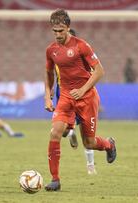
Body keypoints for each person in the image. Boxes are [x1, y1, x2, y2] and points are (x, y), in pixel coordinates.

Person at [44, 9, 117, 191]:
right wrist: (48, 95)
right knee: (55, 133)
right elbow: (48, 73)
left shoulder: (81, 46)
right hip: (66, 97)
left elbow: (99, 71)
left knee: (89, 143)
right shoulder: (51, 50)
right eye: (55, 31)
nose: (58, 35)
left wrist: (83, 89)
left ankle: (109, 144)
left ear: (68, 28)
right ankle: (55, 180)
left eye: (61, 31)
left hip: (87, 98)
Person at [52, 28, 97, 175]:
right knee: (62, 131)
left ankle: (90, 165)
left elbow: (94, 72)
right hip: (63, 94)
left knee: (86, 133)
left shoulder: (82, 54)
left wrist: (86, 91)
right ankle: (70, 132)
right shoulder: (57, 54)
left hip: (82, 95)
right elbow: (54, 72)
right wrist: (52, 89)